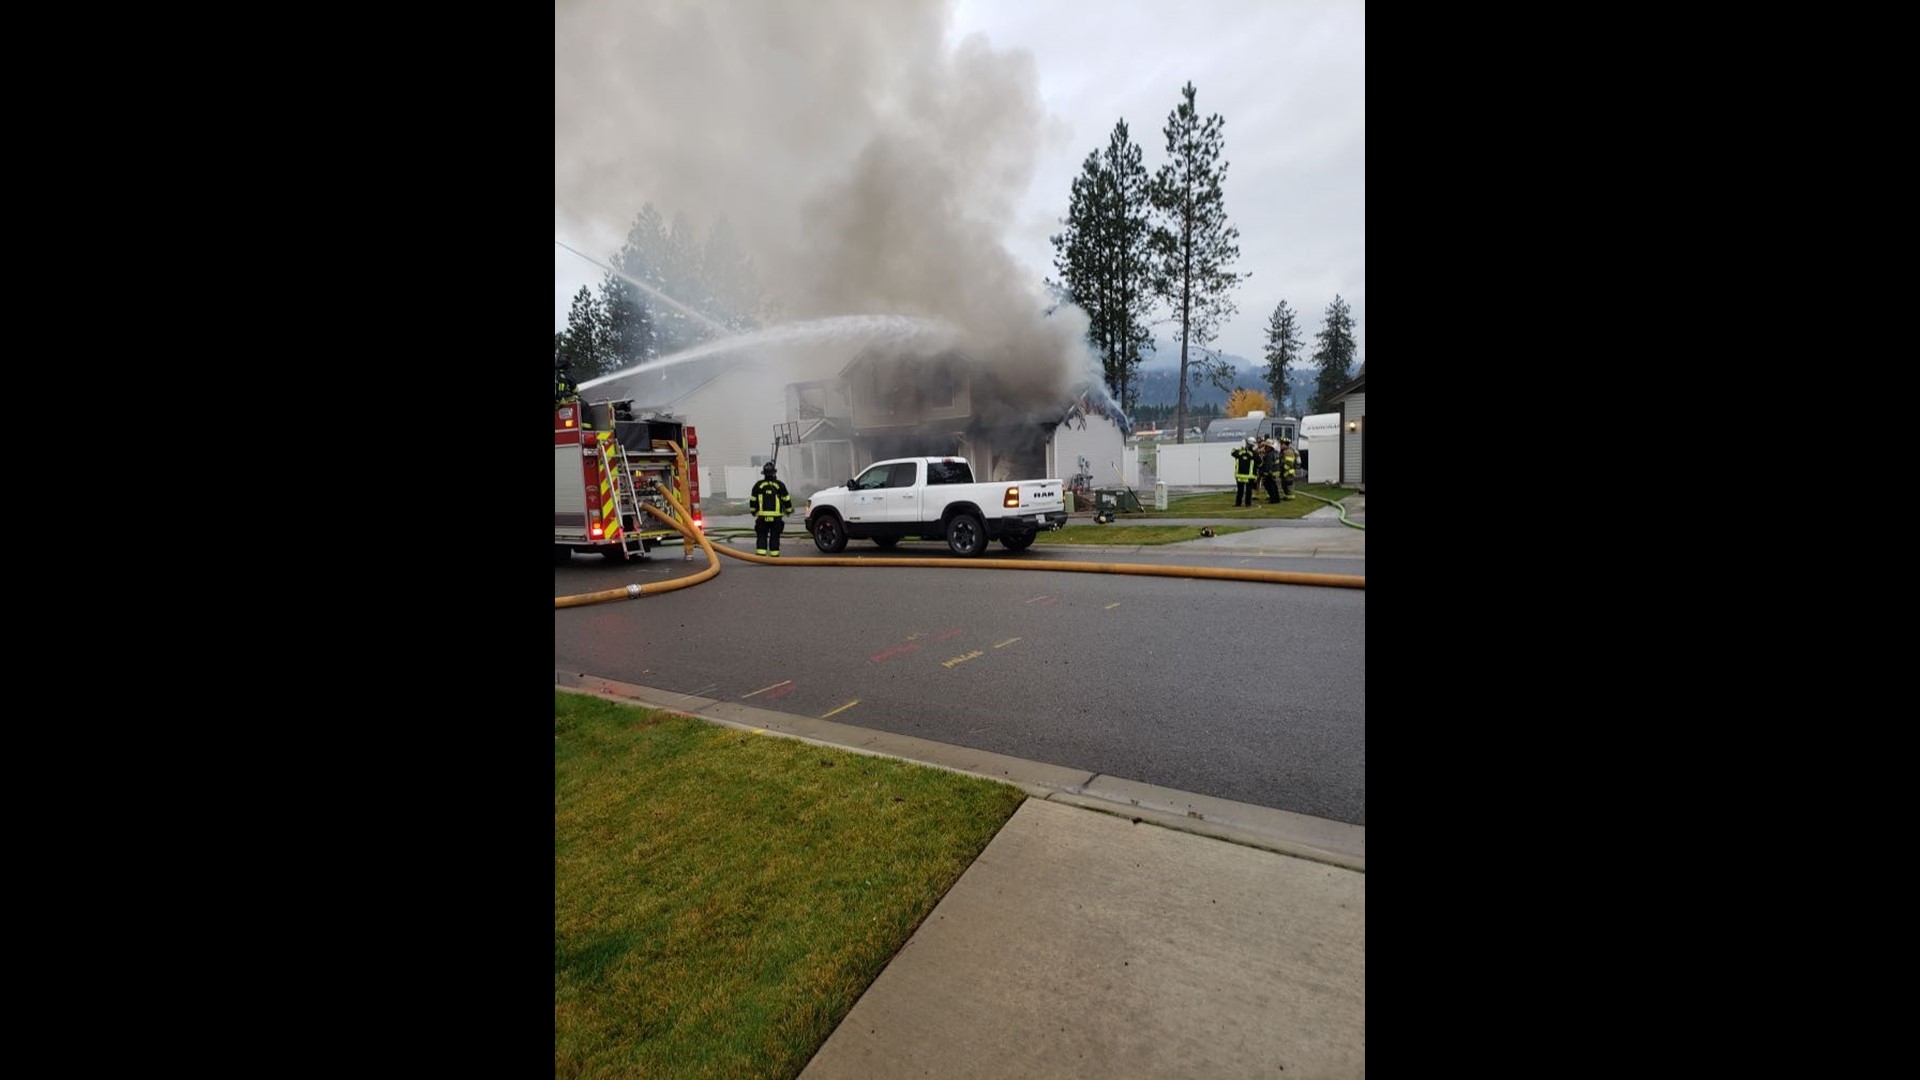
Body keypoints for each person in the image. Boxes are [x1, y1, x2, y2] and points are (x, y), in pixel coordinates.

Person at [750, 461, 794, 557]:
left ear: (764, 473)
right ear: (774, 473)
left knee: (762, 535)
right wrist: (789, 510)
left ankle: (761, 555)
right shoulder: (780, 485)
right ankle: (774, 555)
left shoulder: (758, 485)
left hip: (762, 517)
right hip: (776, 518)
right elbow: (786, 499)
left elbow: (753, 500)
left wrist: (753, 511)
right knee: (775, 536)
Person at [1231, 436, 1258, 507]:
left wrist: (1240, 447)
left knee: (1240, 490)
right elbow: (1260, 462)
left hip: (1239, 475)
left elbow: (1232, 452)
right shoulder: (1254, 454)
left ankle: (1238, 503)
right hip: (1250, 475)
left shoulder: (1239, 452)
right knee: (1249, 490)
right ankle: (1248, 503)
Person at [1257, 435, 1282, 503]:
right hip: (1276, 471)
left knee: (1269, 485)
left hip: (1271, 472)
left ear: (1269, 447)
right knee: (1273, 485)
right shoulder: (1274, 453)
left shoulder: (1269, 455)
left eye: (1266, 446)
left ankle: (1273, 499)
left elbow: (1268, 465)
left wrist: (1265, 472)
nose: (1264, 447)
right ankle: (1276, 499)